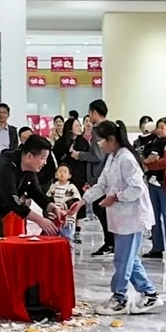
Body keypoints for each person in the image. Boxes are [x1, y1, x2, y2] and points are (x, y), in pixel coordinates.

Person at [72, 120, 163, 316]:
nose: (99, 145)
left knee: (123, 259)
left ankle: (119, 297)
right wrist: (82, 202)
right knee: (129, 259)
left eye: (100, 141)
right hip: (121, 218)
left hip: (132, 217)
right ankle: (150, 294)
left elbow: (137, 188)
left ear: (111, 139)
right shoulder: (113, 158)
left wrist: (115, 197)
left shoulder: (126, 159)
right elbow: (102, 185)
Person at [0, 134, 62, 302]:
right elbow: (13, 201)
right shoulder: (5, 166)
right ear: (29, 156)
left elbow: (36, 193)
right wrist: (40, 220)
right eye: (43, 158)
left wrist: (52, 207)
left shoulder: (28, 170)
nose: (44, 162)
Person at [70, 99, 114, 256]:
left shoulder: (99, 131)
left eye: (89, 113)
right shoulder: (109, 127)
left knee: (100, 208)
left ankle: (110, 242)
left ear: (94, 112)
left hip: (100, 176)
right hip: (107, 175)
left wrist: (79, 155)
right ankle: (111, 242)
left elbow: (97, 156)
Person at [143, 117, 166, 261]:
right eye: (158, 127)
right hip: (153, 184)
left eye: (163, 127)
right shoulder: (154, 141)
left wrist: (149, 165)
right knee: (154, 217)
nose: (160, 130)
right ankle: (157, 248)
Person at [47, 163, 81, 245]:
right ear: (56, 174)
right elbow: (48, 198)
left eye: (65, 172)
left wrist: (66, 206)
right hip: (54, 217)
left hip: (67, 218)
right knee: (52, 238)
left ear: (69, 176)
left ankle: (67, 250)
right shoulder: (53, 186)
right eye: (60, 172)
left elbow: (76, 200)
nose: (62, 174)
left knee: (67, 238)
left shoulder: (71, 187)